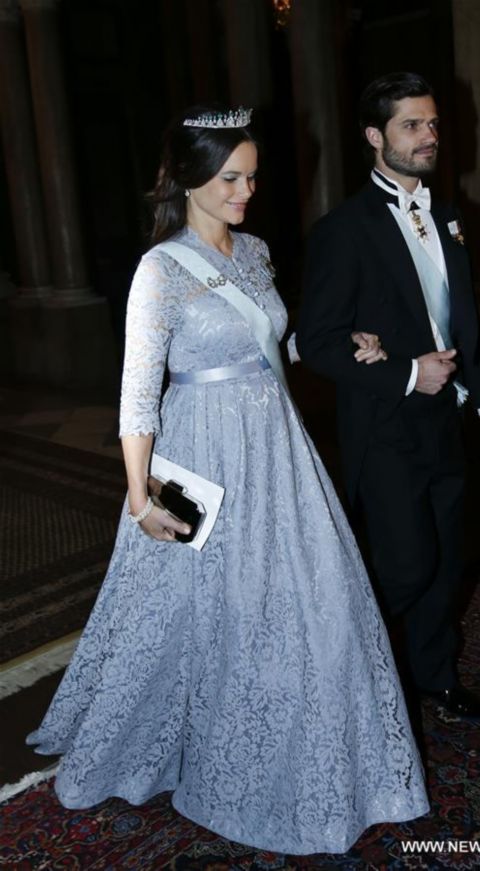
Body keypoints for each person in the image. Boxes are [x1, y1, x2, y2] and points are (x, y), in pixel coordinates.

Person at [27, 104, 429, 855]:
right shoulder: (160, 270)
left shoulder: (256, 250)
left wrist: (339, 341)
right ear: (188, 178)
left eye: (251, 176)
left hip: (276, 449)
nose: (246, 191)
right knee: (198, 604)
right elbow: (138, 394)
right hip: (201, 452)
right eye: (230, 178)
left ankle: (301, 749)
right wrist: (141, 498)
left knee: (306, 598)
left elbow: (269, 342)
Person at [296, 72, 480, 721]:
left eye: (434, 123)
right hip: (385, 428)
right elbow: (318, 340)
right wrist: (405, 374)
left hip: (446, 423)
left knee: (444, 563)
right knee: (404, 568)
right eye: (412, 125)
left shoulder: (452, 217)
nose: (429, 137)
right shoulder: (345, 229)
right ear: (374, 136)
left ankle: (435, 679)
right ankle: (344, 681)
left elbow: (461, 321)